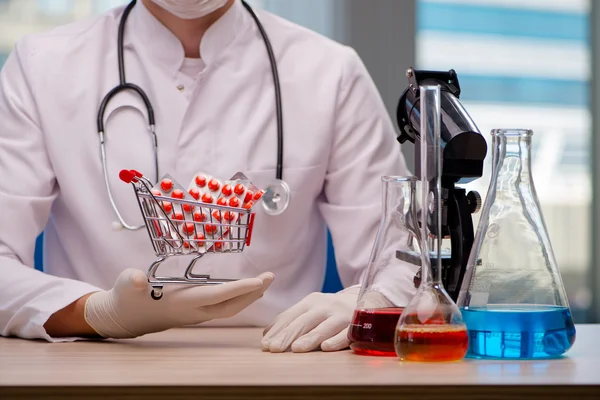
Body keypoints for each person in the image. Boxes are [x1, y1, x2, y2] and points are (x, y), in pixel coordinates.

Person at [0, 0, 410, 352]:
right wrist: (97, 313)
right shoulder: (43, 64)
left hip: (279, 360)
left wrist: (368, 299)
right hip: (93, 360)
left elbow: (407, 259)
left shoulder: (330, 72)